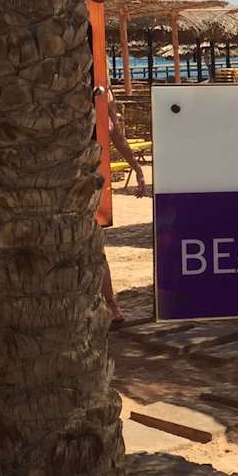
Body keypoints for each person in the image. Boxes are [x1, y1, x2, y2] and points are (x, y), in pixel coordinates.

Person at [94, 86, 146, 325]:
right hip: (70, 181)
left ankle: (110, 304)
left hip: (96, 182)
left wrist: (137, 168)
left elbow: (117, 136)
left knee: (97, 246)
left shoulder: (106, 92)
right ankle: (109, 304)